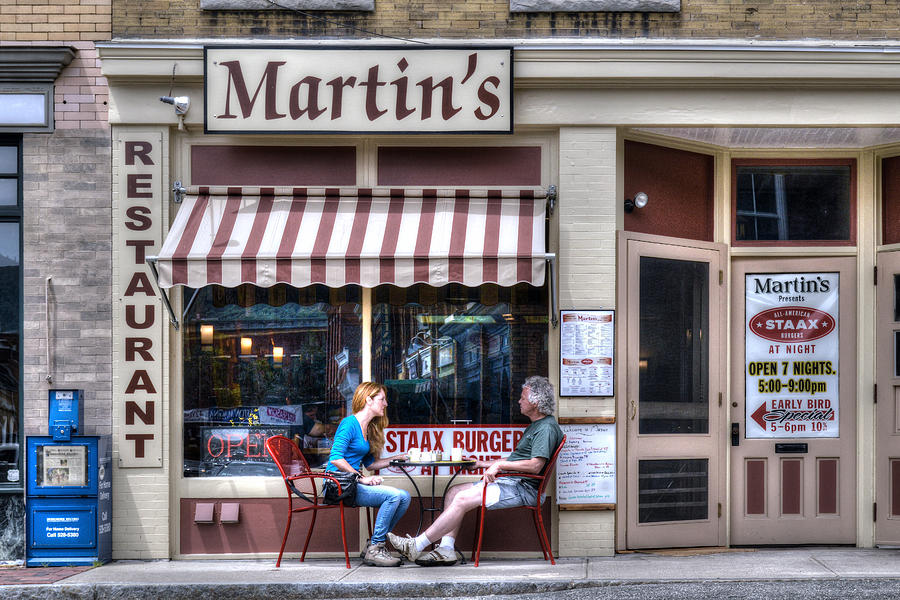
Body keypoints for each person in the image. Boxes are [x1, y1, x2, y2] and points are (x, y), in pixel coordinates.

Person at [388, 375, 563, 567]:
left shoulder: (546, 428)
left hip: (523, 489)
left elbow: (534, 465)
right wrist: (482, 464)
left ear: (535, 402)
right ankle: (446, 550)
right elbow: (517, 460)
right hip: (511, 482)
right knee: (454, 492)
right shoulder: (536, 426)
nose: (519, 401)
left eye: (523, 397)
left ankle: (417, 545)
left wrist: (499, 466)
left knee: (462, 499)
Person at [327, 381, 410, 567]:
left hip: (352, 484)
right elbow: (335, 458)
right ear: (368, 400)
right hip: (338, 485)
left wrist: (398, 458)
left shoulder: (368, 428)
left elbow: (371, 464)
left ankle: (373, 545)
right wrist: (362, 478)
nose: (386, 403)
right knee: (393, 496)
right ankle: (376, 549)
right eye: (382, 399)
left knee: (404, 497)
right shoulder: (349, 424)